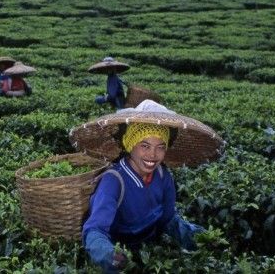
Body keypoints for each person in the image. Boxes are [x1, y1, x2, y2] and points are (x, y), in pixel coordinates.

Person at [79, 102, 211, 272]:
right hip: (122, 252)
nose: (153, 155)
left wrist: (199, 237)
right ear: (130, 145)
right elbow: (94, 230)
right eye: (145, 146)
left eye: (160, 147)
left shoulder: (163, 176)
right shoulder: (114, 181)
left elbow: (168, 220)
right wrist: (110, 255)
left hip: (152, 251)